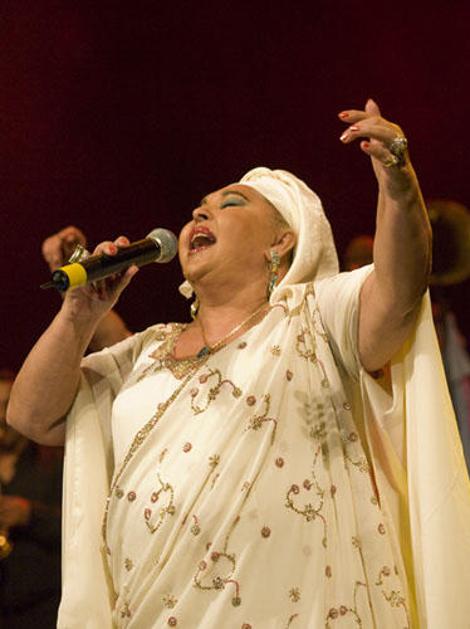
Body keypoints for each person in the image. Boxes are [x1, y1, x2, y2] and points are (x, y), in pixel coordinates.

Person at [7, 100, 470, 628]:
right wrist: (79, 315)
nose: (199, 215)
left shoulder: (314, 317)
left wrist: (397, 183)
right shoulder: (147, 351)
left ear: (282, 239)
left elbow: (399, 289)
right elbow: (32, 416)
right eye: (198, 208)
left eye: (229, 204)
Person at [0, 370, 62, 628]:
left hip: (41, 609)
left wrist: (29, 514)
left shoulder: (54, 460)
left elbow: (81, 528)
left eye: (6, 407)